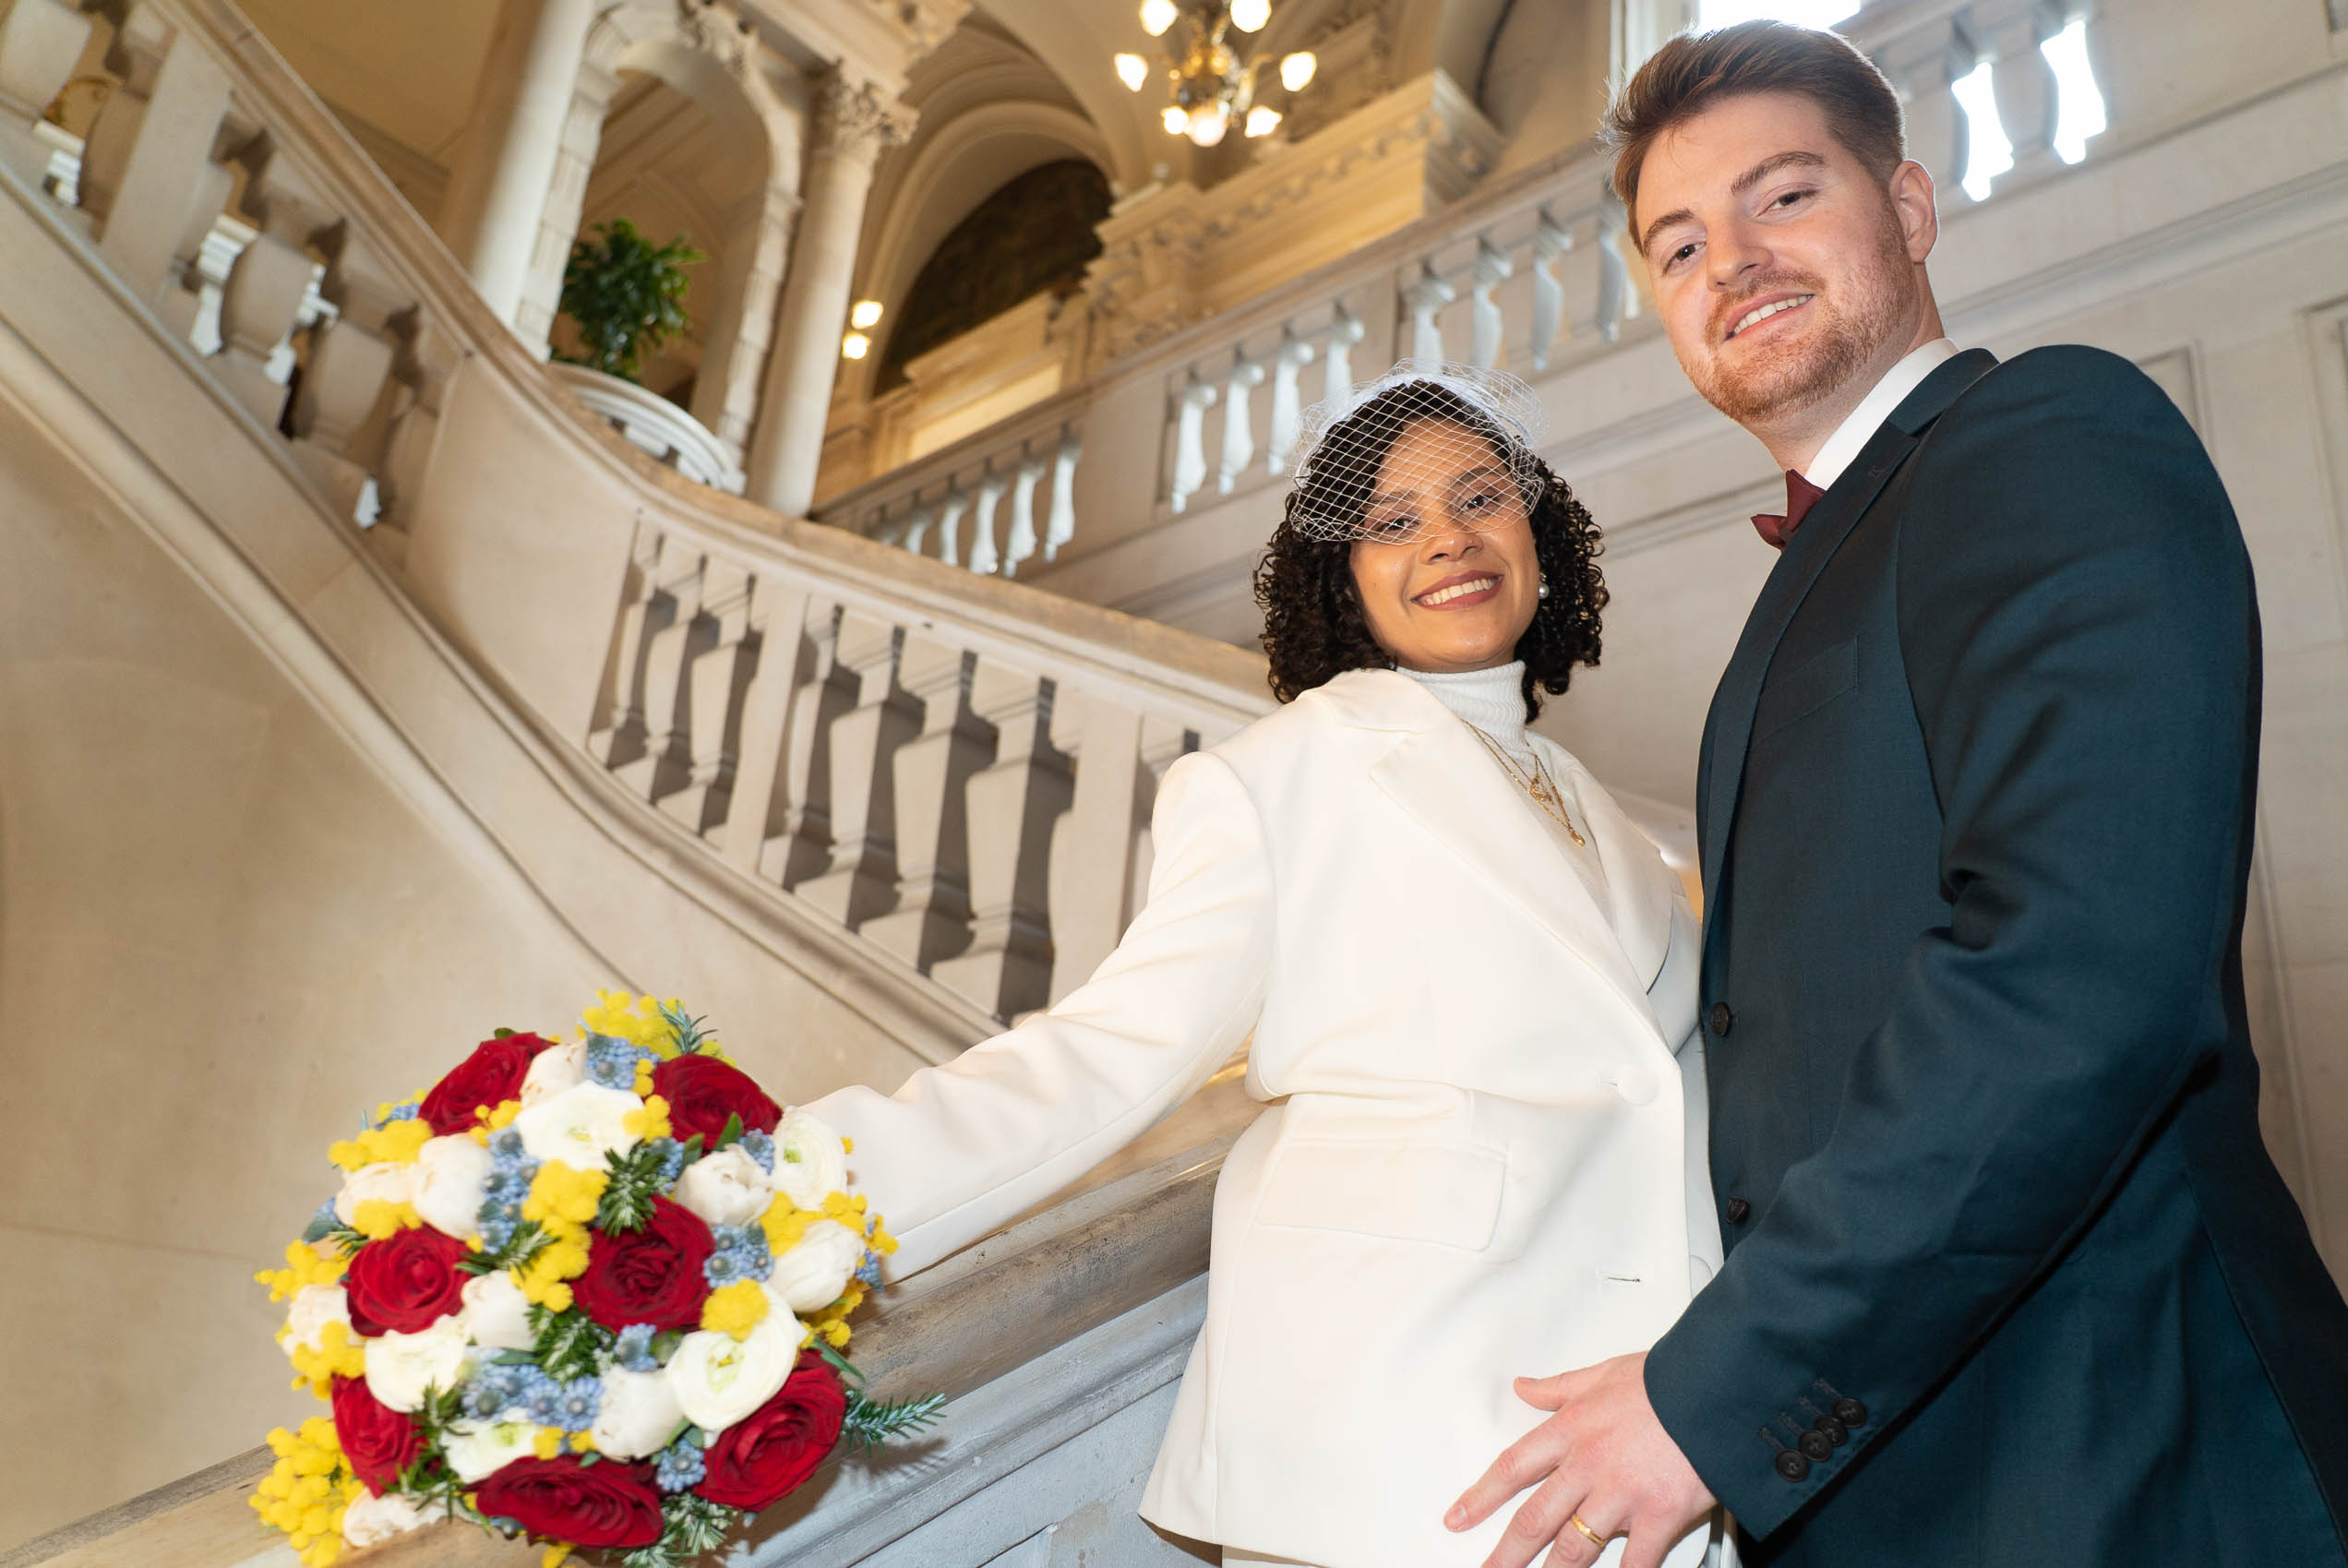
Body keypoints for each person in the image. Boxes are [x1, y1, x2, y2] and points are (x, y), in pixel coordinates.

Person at [1445, 20, 2348, 1568]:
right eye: (1677, 245)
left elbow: (2074, 975)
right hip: (1906, 1479)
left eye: (1782, 197)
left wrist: (1713, 1399)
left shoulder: (2046, 432)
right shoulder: (1820, 574)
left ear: (1911, 212)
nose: (1728, 259)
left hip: (2126, 1466)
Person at [805, 365, 1730, 1568]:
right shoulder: (1279, 776)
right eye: (1391, 523)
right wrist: (790, 1194)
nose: (1448, 539)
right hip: (1394, 1449)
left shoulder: (1605, 815)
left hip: (1619, 1439)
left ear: (1537, 531)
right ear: (1339, 574)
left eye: (1479, 499)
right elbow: (1108, 1058)